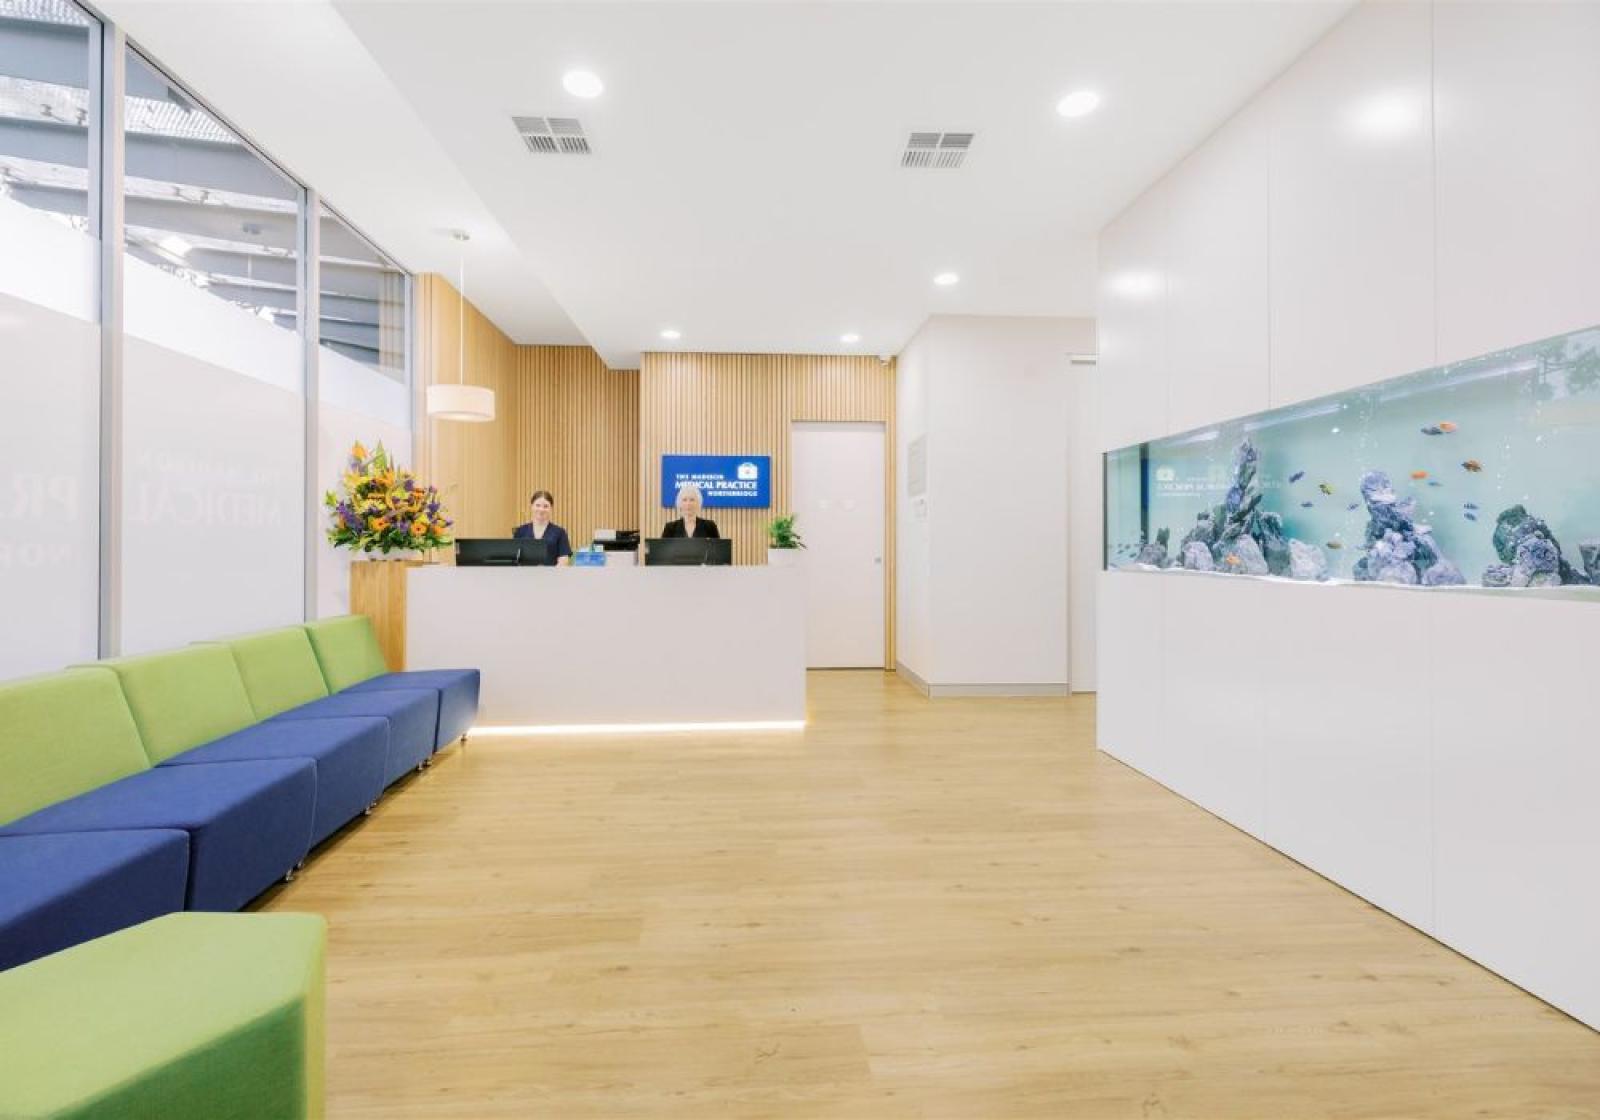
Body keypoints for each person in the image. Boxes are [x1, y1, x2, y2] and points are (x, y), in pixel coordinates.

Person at [511, 490, 573, 565]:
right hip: (525, 572)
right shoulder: (520, 531)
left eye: (546, 506)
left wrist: (554, 573)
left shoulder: (560, 532)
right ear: (532, 506)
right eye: (538, 505)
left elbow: (564, 559)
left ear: (551, 508)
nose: (541, 509)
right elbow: (514, 558)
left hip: (552, 572)